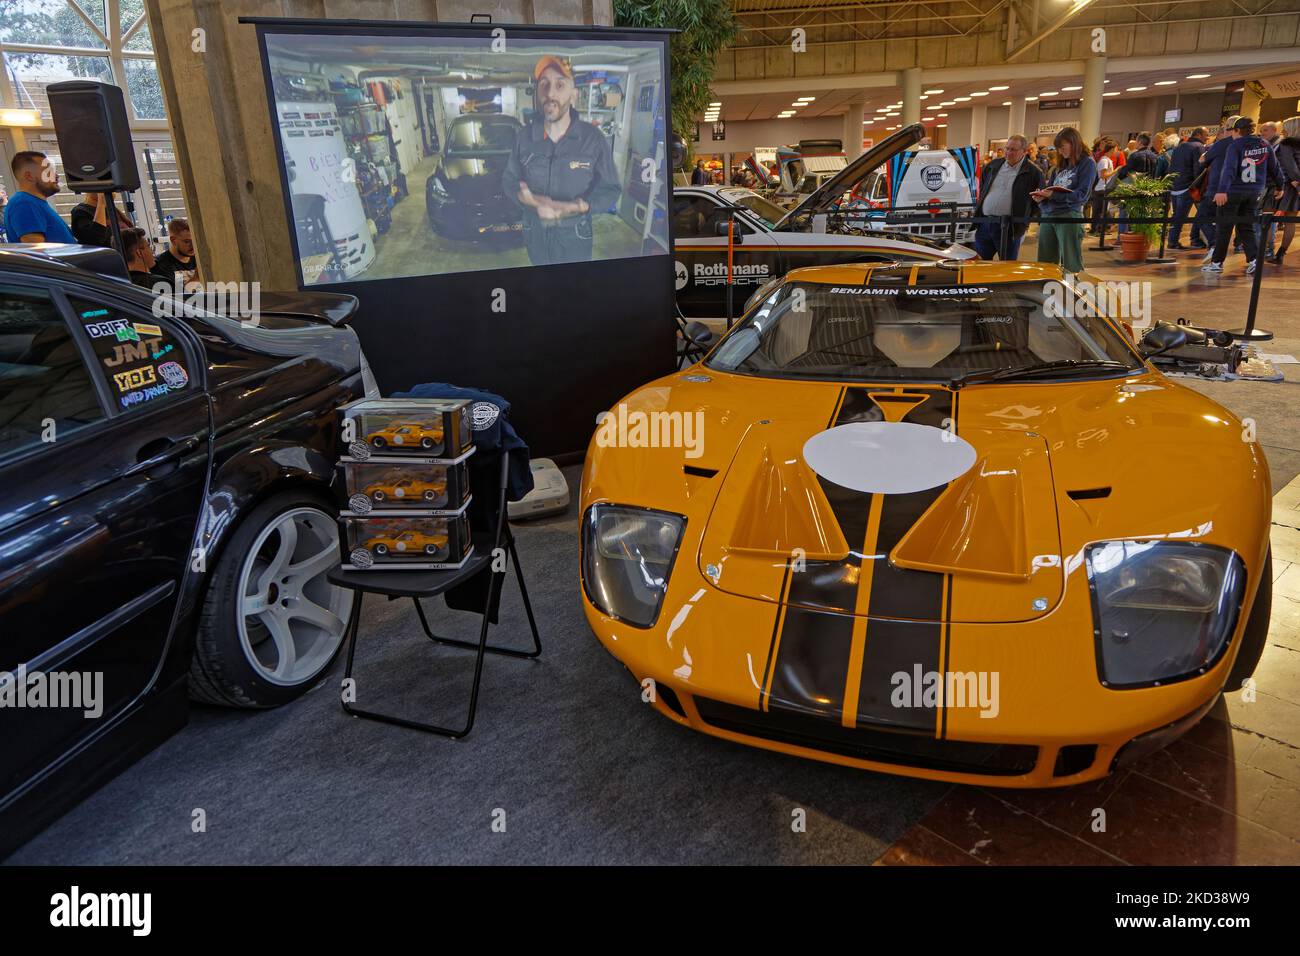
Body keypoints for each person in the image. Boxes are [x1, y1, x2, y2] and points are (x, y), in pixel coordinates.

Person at [502, 54, 621, 266]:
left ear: (574, 94)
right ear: (537, 93)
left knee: (573, 290)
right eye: (544, 85)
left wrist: (582, 206)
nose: (550, 93)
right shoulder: (523, 138)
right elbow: (509, 181)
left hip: (574, 234)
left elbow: (611, 189)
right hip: (535, 234)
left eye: (560, 85)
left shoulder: (593, 140)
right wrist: (524, 198)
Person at [1204, 117, 1283, 275]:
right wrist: (1281, 185)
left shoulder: (1235, 145)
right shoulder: (1264, 144)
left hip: (1233, 192)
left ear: (1236, 131)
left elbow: (1229, 169)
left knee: (1224, 228)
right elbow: (1275, 167)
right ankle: (1254, 261)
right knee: (1247, 227)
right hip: (1254, 192)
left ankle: (1217, 263)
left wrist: (1221, 190)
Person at [1032, 126, 1098, 275]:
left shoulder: (1087, 163)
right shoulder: (1059, 167)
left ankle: (1075, 295)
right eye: (1058, 148)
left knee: (1071, 263)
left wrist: (1052, 196)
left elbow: (1082, 195)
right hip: (1049, 216)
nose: (1060, 151)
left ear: (1074, 143)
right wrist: (1041, 199)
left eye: (1062, 147)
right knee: (1045, 262)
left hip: (1069, 215)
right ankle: (1046, 293)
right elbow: (1050, 190)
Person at [972, 134, 1043, 260]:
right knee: (979, 265)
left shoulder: (1034, 173)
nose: (1009, 152)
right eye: (1007, 148)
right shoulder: (993, 166)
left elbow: (1038, 202)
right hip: (985, 224)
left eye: (1013, 150)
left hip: (1010, 228)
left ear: (1024, 151)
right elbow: (983, 189)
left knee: (1007, 266)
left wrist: (1024, 221)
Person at [4, 151, 76, 244]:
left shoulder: (35, 203)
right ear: (29, 176)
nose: (57, 176)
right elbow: (37, 253)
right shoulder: (24, 203)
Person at [1266, 116, 1300, 265]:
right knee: (1290, 222)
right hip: (1296, 187)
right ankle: (1281, 253)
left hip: (1283, 185)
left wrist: (1294, 180)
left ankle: (1268, 250)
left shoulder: (1286, 144)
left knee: (1267, 217)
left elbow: (1289, 165)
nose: (1283, 130)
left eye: (1286, 126)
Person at [1168, 127, 1208, 249]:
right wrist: (1200, 187)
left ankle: (1173, 241)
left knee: (1177, 216)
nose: (1207, 138)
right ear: (1199, 134)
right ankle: (1191, 240)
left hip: (1175, 186)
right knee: (1202, 213)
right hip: (1188, 187)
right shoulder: (1198, 147)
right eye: (1206, 135)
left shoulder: (1179, 147)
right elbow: (1199, 168)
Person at [153, 217, 200, 286]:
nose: (193, 246)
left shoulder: (199, 258)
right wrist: (195, 278)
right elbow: (173, 295)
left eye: (195, 241)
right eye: (187, 241)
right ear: (173, 240)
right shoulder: (160, 264)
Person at [1088, 138, 1118, 234]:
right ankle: (1096, 229)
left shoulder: (1106, 160)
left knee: (1101, 211)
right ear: (1112, 149)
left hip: (1102, 188)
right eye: (1116, 149)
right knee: (1100, 211)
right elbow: (1103, 175)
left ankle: (1098, 229)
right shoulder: (1104, 161)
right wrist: (1116, 170)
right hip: (1101, 188)